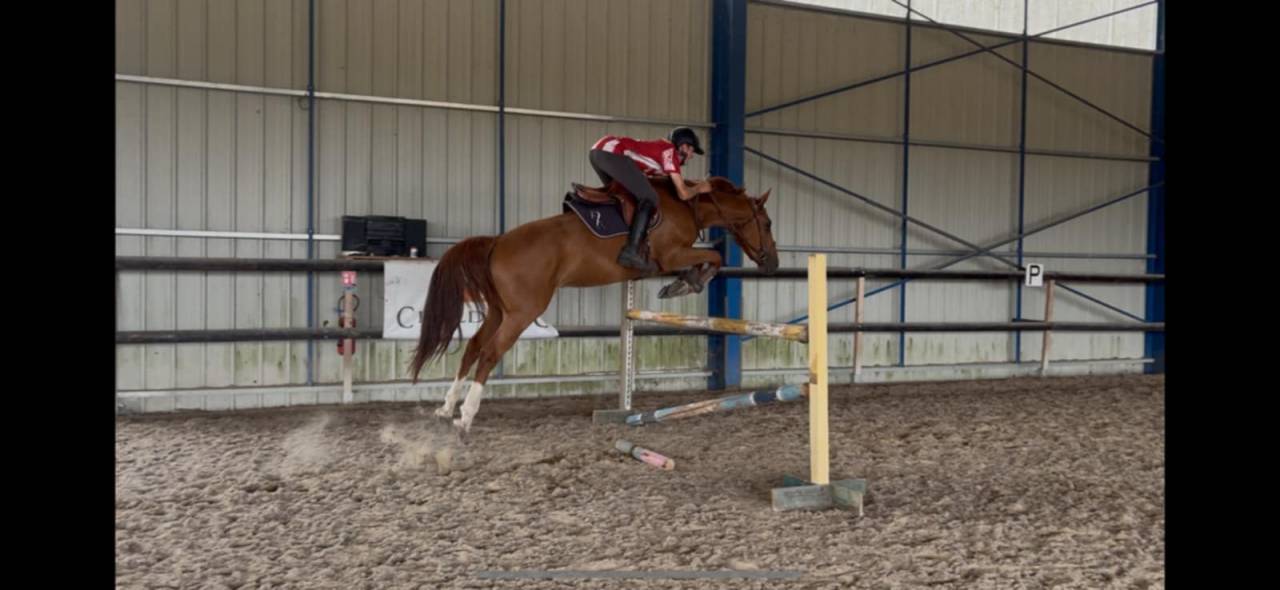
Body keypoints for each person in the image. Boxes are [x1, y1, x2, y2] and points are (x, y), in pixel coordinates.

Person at [587, 127, 710, 271]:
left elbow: (667, 180)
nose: (691, 156)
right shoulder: (669, 151)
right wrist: (699, 188)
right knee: (650, 197)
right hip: (609, 152)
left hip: (599, 152)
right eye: (691, 150)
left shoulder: (663, 153)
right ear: (683, 145)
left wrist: (693, 183)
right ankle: (631, 251)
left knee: (626, 196)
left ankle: (618, 237)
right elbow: (683, 193)